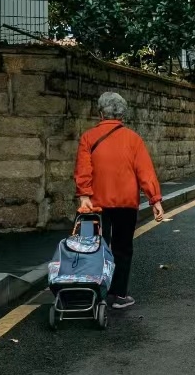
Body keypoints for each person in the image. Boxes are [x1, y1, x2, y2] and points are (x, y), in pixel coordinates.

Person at [74, 92, 164, 310]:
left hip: (95, 204)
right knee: (123, 247)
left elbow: (83, 169)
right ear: (123, 114)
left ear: (100, 112)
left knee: (93, 246)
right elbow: (145, 172)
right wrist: (155, 201)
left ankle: (96, 292)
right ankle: (119, 294)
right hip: (126, 203)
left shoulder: (89, 137)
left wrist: (84, 195)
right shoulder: (133, 139)